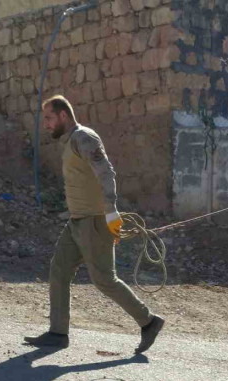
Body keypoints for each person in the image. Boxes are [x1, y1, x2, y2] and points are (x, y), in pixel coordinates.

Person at [23, 95, 164, 353]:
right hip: (76, 222)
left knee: (104, 280)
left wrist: (111, 211)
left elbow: (106, 172)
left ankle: (148, 321)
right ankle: (57, 333)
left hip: (95, 222)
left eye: (49, 118)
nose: (46, 124)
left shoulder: (83, 138)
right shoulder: (69, 142)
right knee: (59, 269)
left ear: (64, 116)